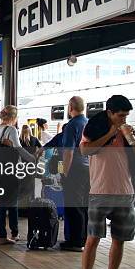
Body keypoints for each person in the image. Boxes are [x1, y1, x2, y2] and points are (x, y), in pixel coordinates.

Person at [76, 95, 135, 269]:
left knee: (119, 240)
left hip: (125, 192)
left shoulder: (128, 132)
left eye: (126, 116)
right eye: (120, 115)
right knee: (92, 239)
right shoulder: (94, 129)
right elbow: (85, 150)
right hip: (100, 192)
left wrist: (131, 140)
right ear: (110, 113)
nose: (123, 119)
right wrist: (111, 133)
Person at [0, 105, 35, 245]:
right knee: (12, 203)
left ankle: (5, 235)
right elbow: (19, 149)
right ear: (14, 117)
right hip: (9, 172)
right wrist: (32, 158)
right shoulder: (11, 130)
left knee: (3, 203)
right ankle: (13, 234)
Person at [60, 96, 89, 252]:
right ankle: (83, 238)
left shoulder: (72, 125)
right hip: (87, 169)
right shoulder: (87, 122)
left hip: (74, 170)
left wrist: (64, 172)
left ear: (70, 107)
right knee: (83, 205)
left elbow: (68, 152)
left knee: (73, 205)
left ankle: (75, 241)